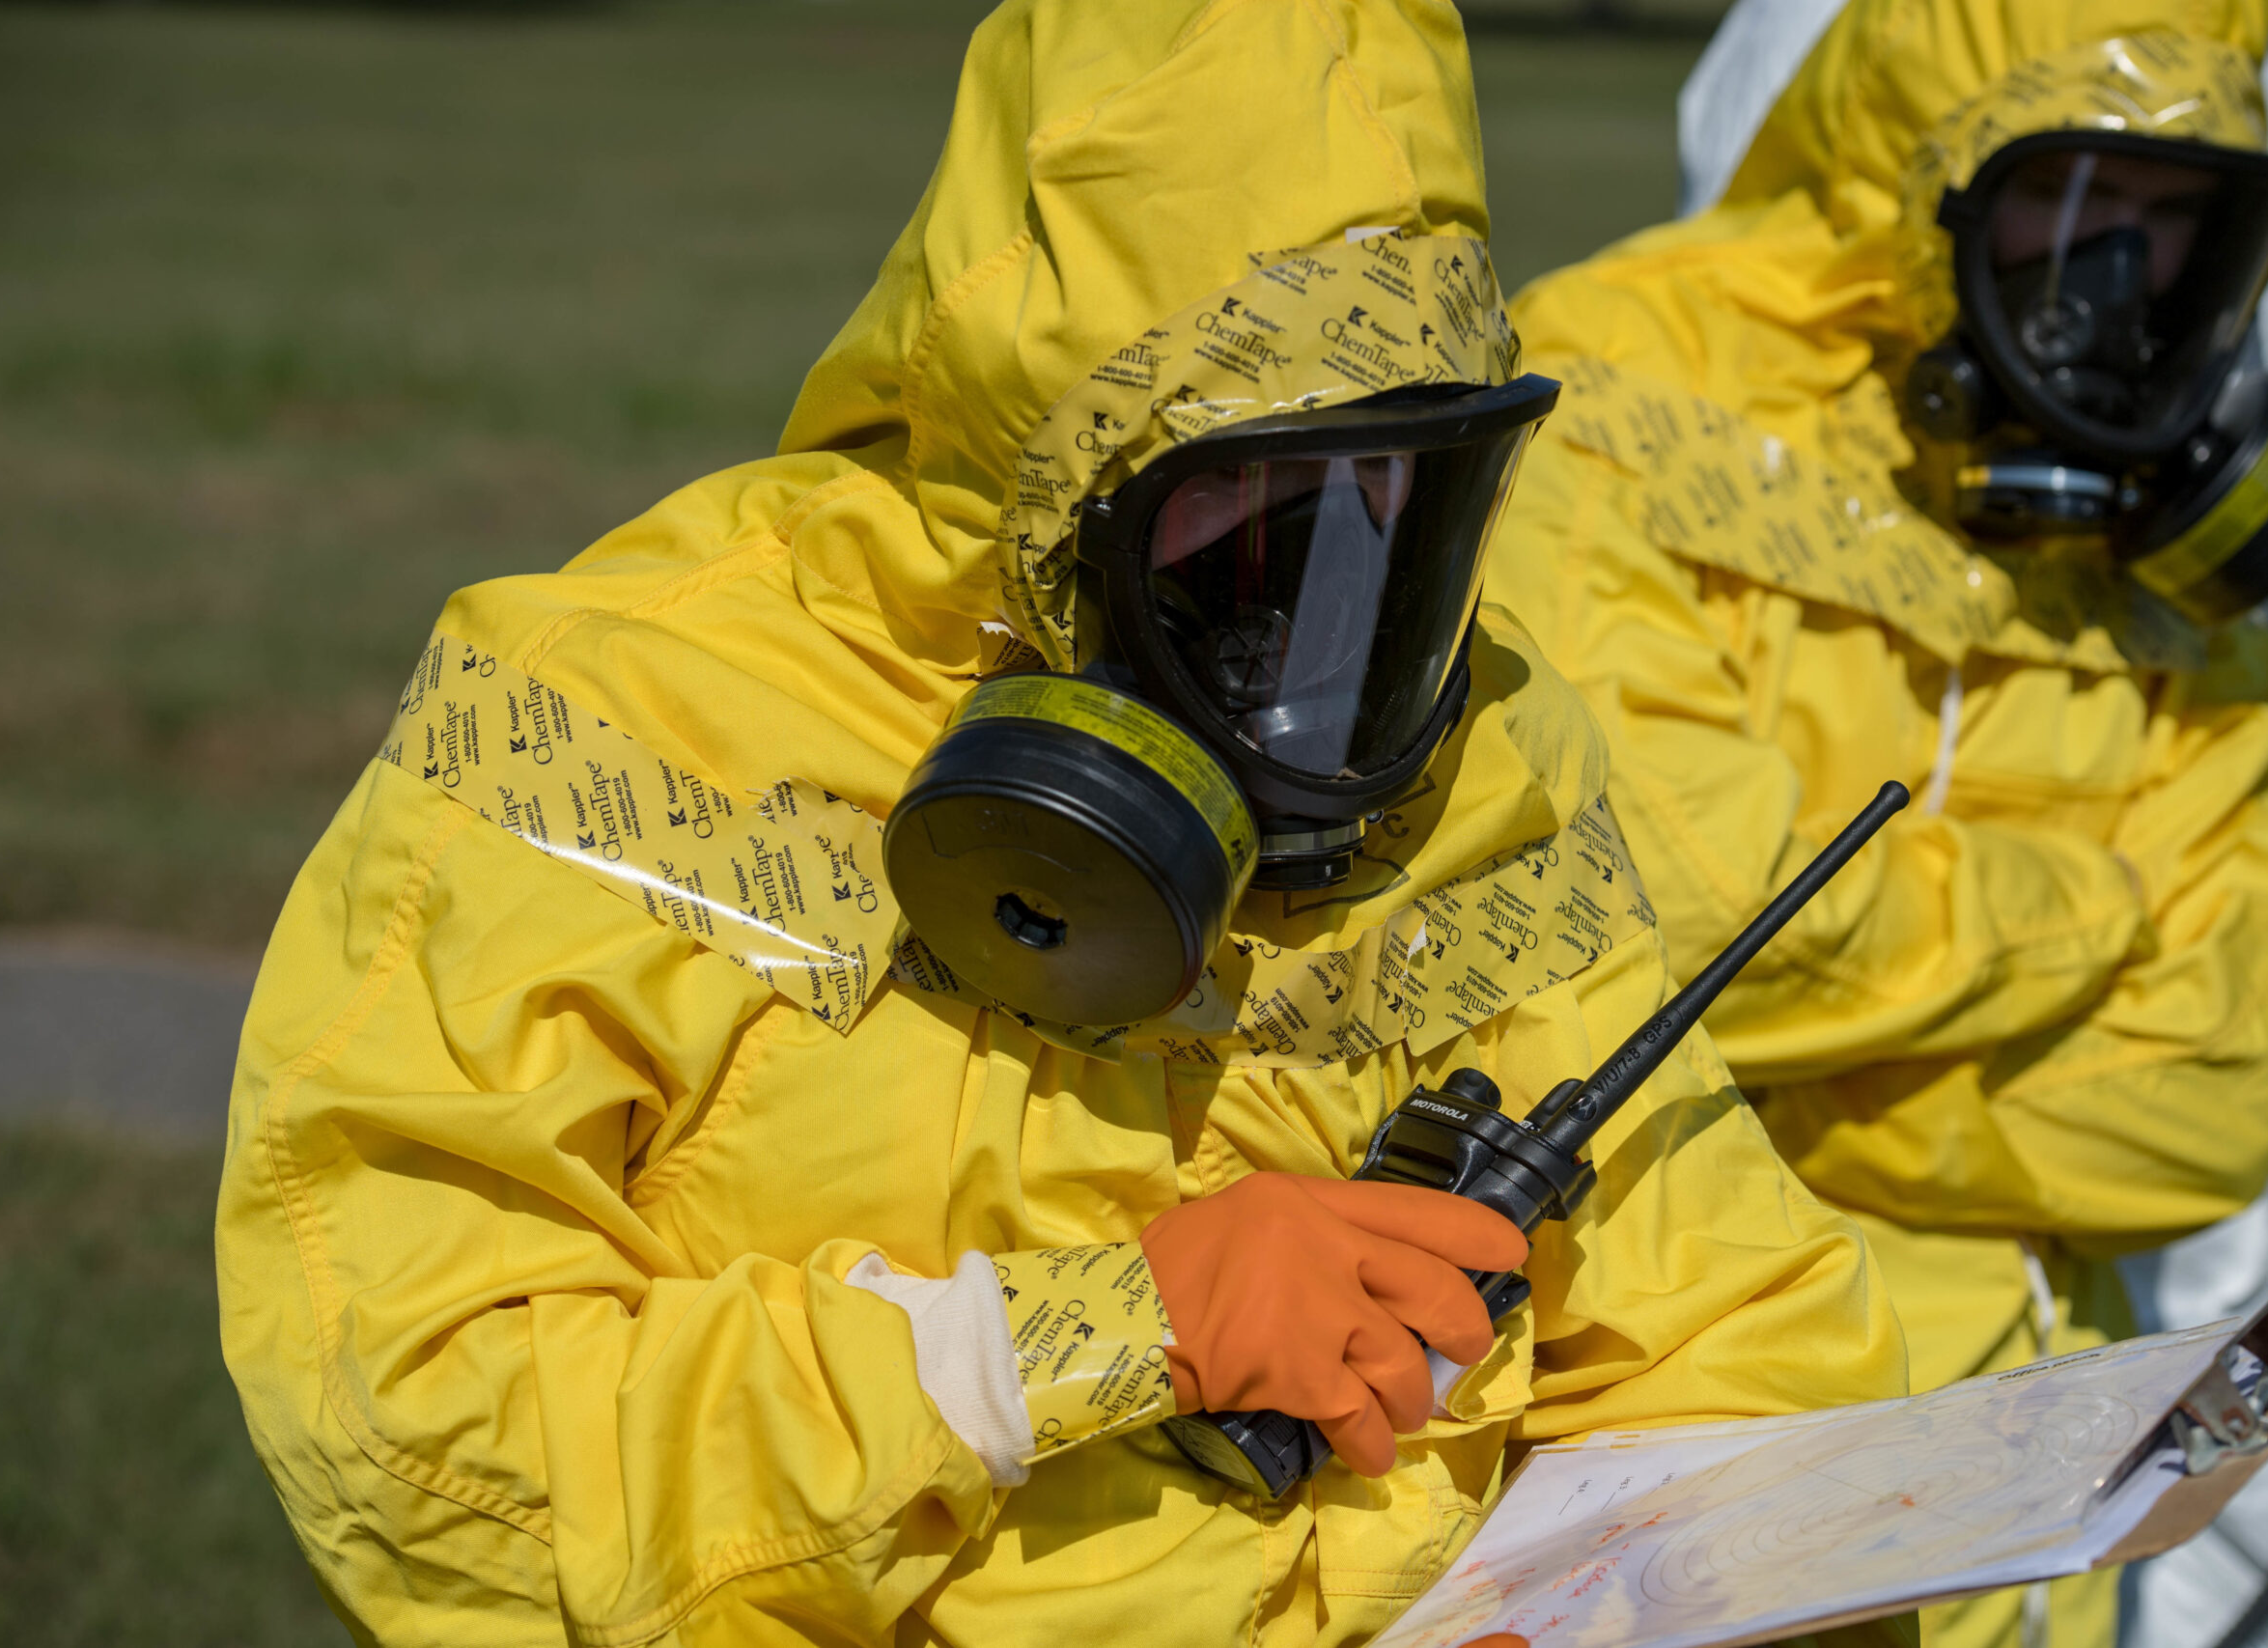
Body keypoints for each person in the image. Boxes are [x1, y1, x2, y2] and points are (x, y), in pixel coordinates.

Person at [213, 2, 1910, 1642]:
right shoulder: (612, 725)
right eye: (1251, 531)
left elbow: (1732, 1338)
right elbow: (414, 1431)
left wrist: (1658, 1606)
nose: (1323, 641)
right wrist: (1073, 1343)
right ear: (1058, 489)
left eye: (1395, 518)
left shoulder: (1487, 754)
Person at [1485, 4, 2268, 1648]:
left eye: (2173, 214)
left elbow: (2218, 1093)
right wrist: (2098, 913)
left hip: (2045, 1491)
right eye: (2072, 197)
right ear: (1925, 178)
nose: (2117, 270)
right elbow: (1673, 917)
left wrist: (1784, 1091)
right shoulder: (1624, 389)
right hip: (1684, 1454)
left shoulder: (2153, 516)